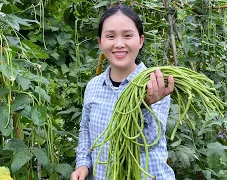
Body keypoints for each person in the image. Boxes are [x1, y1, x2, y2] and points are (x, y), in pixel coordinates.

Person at [70, 4, 175, 180]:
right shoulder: (94, 86)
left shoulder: (154, 84)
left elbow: (147, 143)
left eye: (127, 35)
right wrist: (83, 164)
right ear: (100, 42)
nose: (119, 44)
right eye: (110, 36)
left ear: (141, 40)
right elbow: (85, 131)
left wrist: (144, 106)